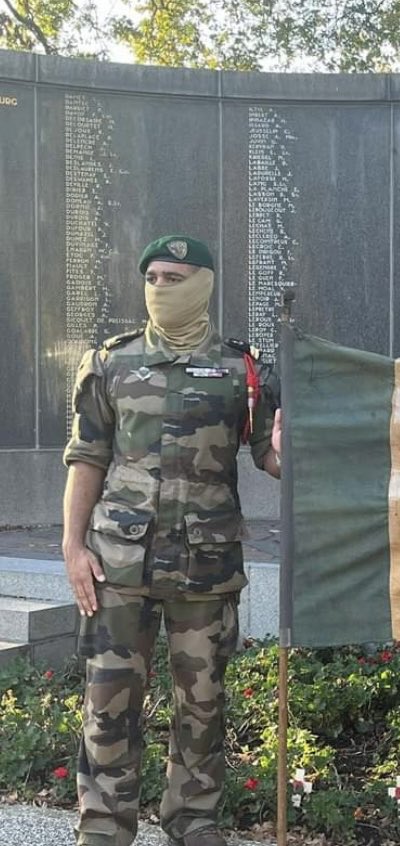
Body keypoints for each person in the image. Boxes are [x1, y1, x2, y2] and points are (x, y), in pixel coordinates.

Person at [62, 235, 280, 846]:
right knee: (109, 705)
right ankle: (105, 827)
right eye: (152, 277)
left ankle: (193, 818)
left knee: (202, 704)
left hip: (205, 566)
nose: (161, 288)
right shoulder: (111, 363)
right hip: (118, 564)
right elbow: (86, 458)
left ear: (204, 283)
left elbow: (271, 454)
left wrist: (289, 452)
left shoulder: (244, 370)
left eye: (174, 277)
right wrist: (73, 548)